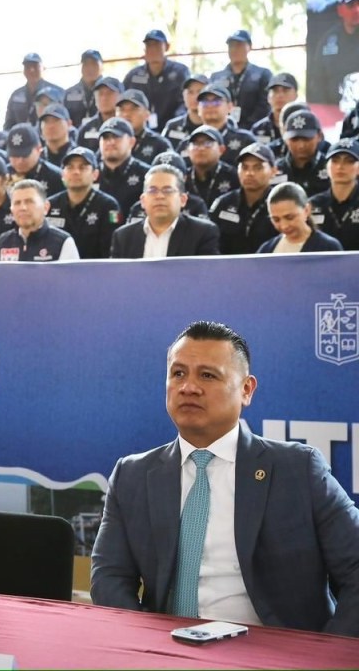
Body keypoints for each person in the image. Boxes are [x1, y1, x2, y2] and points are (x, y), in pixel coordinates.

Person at [91, 321, 359, 636]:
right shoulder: (132, 474)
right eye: (178, 373)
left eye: (207, 375)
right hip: (166, 651)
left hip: (275, 655)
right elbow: (109, 577)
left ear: (246, 389)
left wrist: (329, 655)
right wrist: (141, 645)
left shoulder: (298, 470)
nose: (188, 387)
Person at [110, 164, 220, 258]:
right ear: (143, 201)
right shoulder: (123, 237)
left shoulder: (202, 233)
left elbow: (207, 277)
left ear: (183, 200)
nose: (159, 196)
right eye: (152, 191)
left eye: (167, 190)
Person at [46, 147, 124, 259]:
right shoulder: (50, 205)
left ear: (95, 174)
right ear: (62, 174)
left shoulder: (109, 206)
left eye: (82, 167)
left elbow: (111, 250)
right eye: (70, 167)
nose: (76, 172)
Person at [208, 142, 280, 254]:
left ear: (274, 171)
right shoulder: (223, 203)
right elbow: (211, 242)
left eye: (258, 167)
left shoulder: (280, 204)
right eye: (244, 167)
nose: (249, 173)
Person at [0, 179, 79, 262]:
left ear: (46, 207)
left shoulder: (63, 242)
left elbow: (71, 279)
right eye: (17, 203)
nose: (23, 208)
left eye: (29, 201)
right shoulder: (1, 243)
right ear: (11, 210)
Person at [122, 29, 191, 130]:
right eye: (149, 45)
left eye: (157, 45)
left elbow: (186, 101)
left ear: (167, 47)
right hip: (139, 128)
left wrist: (176, 121)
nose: (153, 49)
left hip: (172, 127)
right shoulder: (134, 75)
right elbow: (122, 100)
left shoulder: (180, 72)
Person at [208, 30, 273, 130]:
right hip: (221, 130)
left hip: (254, 130)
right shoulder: (216, 77)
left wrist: (247, 128)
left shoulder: (263, 74)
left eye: (239, 45)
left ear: (249, 47)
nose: (234, 49)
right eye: (231, 46)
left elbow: (265, 105)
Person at [178, 85, 257, 166]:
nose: (210, 106)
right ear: (198, 109)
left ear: (230, 107)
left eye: (216, 102)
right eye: (205, 102)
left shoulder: (245, 140)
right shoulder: (188, 143)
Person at [257, 182, 343, 253]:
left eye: (290, 217)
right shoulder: (266, 250)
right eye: (276, 219)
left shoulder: (329, 247)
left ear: (306, 210)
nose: (284, 226)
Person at [308, 0, 359, 109]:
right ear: (340, 10)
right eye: (351, 5)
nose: (357, 10)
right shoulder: (327, 41)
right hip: (336, 113)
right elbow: (317, 83)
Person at [309, 137, 359, 250]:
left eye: (349, 161)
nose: (340, 166)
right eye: (335, 160)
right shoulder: (313, 204)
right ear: (326, 166)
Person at [97, 117, 152, 214]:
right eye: (106, 137)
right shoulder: (91, 174)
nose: (110, 142)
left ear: (132, 142)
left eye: (116, 137)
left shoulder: (147, 175)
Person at [276, 110, 330, 197]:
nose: (301, 146)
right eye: (294, 139)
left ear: (319, 136)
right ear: (285, 139)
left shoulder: (331, 169)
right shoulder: (275, 170)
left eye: (306, 139)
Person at [184, 126, 240, 208]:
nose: (201, 148)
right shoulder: (183, 178)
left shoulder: (234, 177)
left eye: (208, 143)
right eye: (195, 144)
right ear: (188, 151)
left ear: (221, 150)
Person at [5, 122, 64, 196]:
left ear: (38, 149)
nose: (20, 161)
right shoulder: (2, 175)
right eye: (15, 156)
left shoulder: (56, 178)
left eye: (25, 155)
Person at [116, 89, 174, 164]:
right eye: (122, 110)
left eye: (133, 109)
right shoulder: (109, 141)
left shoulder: (160, 144)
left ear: (147, 115)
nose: (126, 114)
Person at [4, 53, 61, 129]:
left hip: (48, 136)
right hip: (21, 138)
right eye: (28, 67)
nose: (31, 70)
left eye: (35, 66)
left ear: (43, 68)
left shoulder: (57, 92)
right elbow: (8, 124)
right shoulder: (16, 95)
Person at [250, 73, 299, 148]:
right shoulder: (258, 128)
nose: (280, 95)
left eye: (285, 90)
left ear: (296, 95)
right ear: (268, 97)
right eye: (275, 91)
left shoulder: (303, 124)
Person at [162, 74, 209, 147]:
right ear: (183, 96)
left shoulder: (216, 125)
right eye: (190, 92)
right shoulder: (172, 126)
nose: (195, 97)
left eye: (200, 92)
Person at [64, 49, 104, 127]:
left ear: (102, 66)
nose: (90, 68)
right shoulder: (69, 93)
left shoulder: (111, 91)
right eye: (86, 64)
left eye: (94, 64)